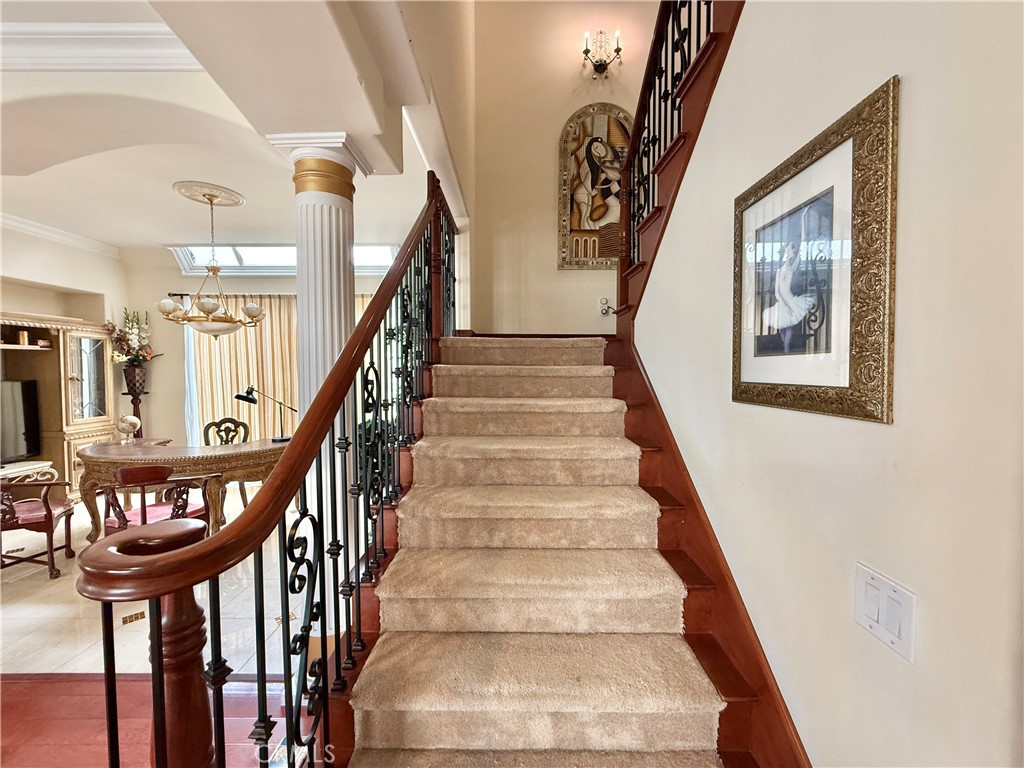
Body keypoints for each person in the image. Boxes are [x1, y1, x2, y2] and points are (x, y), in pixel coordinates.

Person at [761, 242, 815, 353]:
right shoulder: (780, 270)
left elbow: (799, 254)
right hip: (783, 301)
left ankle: (786, 349)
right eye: (792, 247)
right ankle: (784, 348)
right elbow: (777, 292)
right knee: (782, 326)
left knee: (789, 326)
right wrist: (785, 306)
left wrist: (803, 234)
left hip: (791, 299)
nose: (794, 250)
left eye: (794, 248)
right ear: (787, 251)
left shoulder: (792, 268)